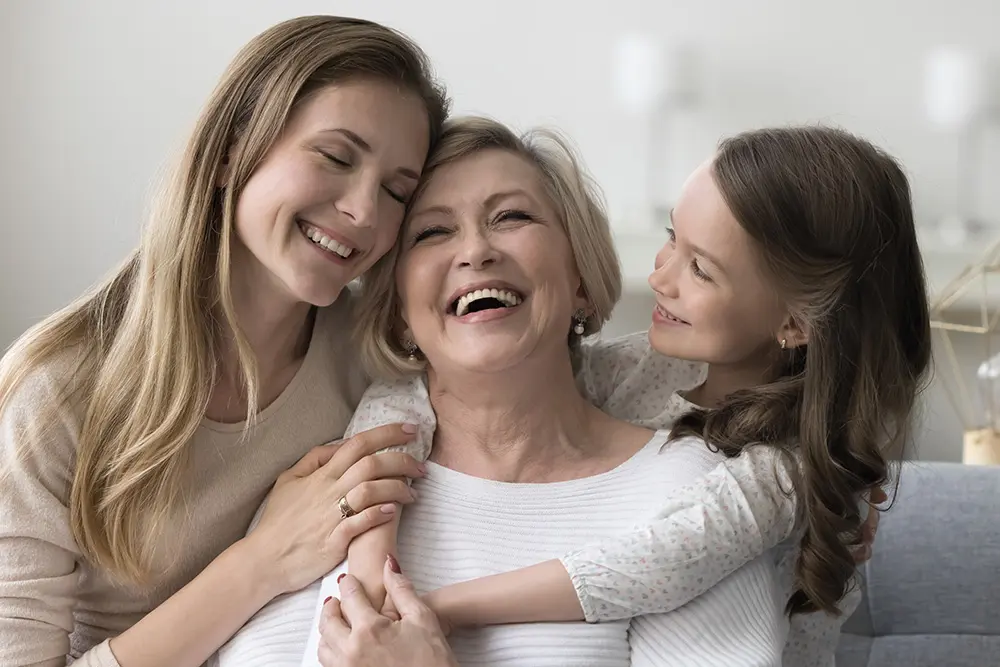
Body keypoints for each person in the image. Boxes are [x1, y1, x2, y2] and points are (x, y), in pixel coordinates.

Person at [219, 118, 926, 667]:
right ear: (399, 308)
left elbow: (634, 570)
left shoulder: (736, 482)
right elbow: (408, 399)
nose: (475, 250)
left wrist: (431, 614)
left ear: (580, 278)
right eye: (433, 231)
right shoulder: (324, 492)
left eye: (512, 217)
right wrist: (370, 559)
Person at [0, 15, 450, 667]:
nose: (363, 211)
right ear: (231, 151)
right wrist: (262, 561)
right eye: (336, 156)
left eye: (396, 191)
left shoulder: (376, 356)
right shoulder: (54, 390)